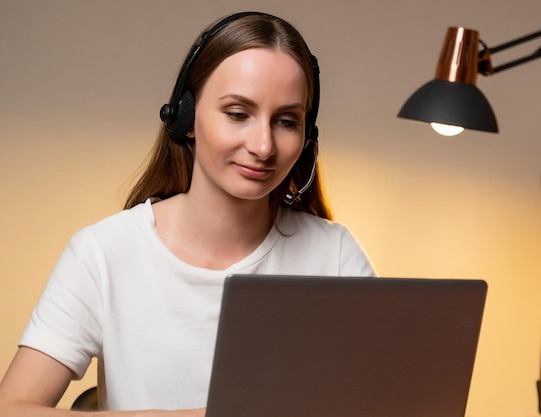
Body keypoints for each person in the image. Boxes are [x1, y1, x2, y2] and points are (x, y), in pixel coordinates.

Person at [0, 11, 375, 416]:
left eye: (286, 121)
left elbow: (390, 396)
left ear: (307, 136)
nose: (264, 145)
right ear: (186, 117)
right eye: (237, 114)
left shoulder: (335, 254)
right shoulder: (103, 253)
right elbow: (12, 406)